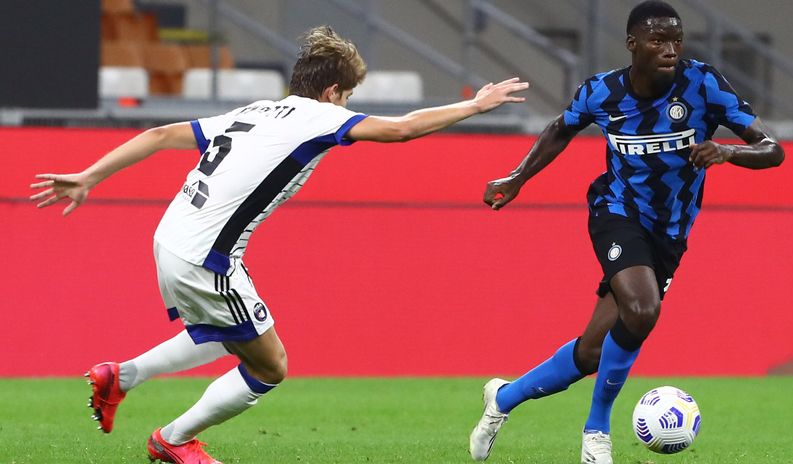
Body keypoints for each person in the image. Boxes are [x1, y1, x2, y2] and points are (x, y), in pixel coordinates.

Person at [31, 25, 528, 464]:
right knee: (270, 365)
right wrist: (474, 105)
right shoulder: (317, 117)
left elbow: (161, 133)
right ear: (333, 92)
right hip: (207, 256)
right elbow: (400, 130)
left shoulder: (257, 110)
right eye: (349, 96)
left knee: (223, 331)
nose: (348, 106)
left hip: (170, 239)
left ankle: (122, 376)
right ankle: (173, 440)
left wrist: (89, 175)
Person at [468, 2, 783, 463]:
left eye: (676, 39)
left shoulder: (703, 85)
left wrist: (728, 152)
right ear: (633, 44)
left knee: (593, 352)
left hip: (670, 233)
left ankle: (503, 399)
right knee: (642, 307)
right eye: (658, 40)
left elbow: (772, 149)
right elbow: (560, 128)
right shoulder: (602, 92)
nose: (670, 49)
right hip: (616, 211)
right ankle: (597, 431)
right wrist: (517, 177)